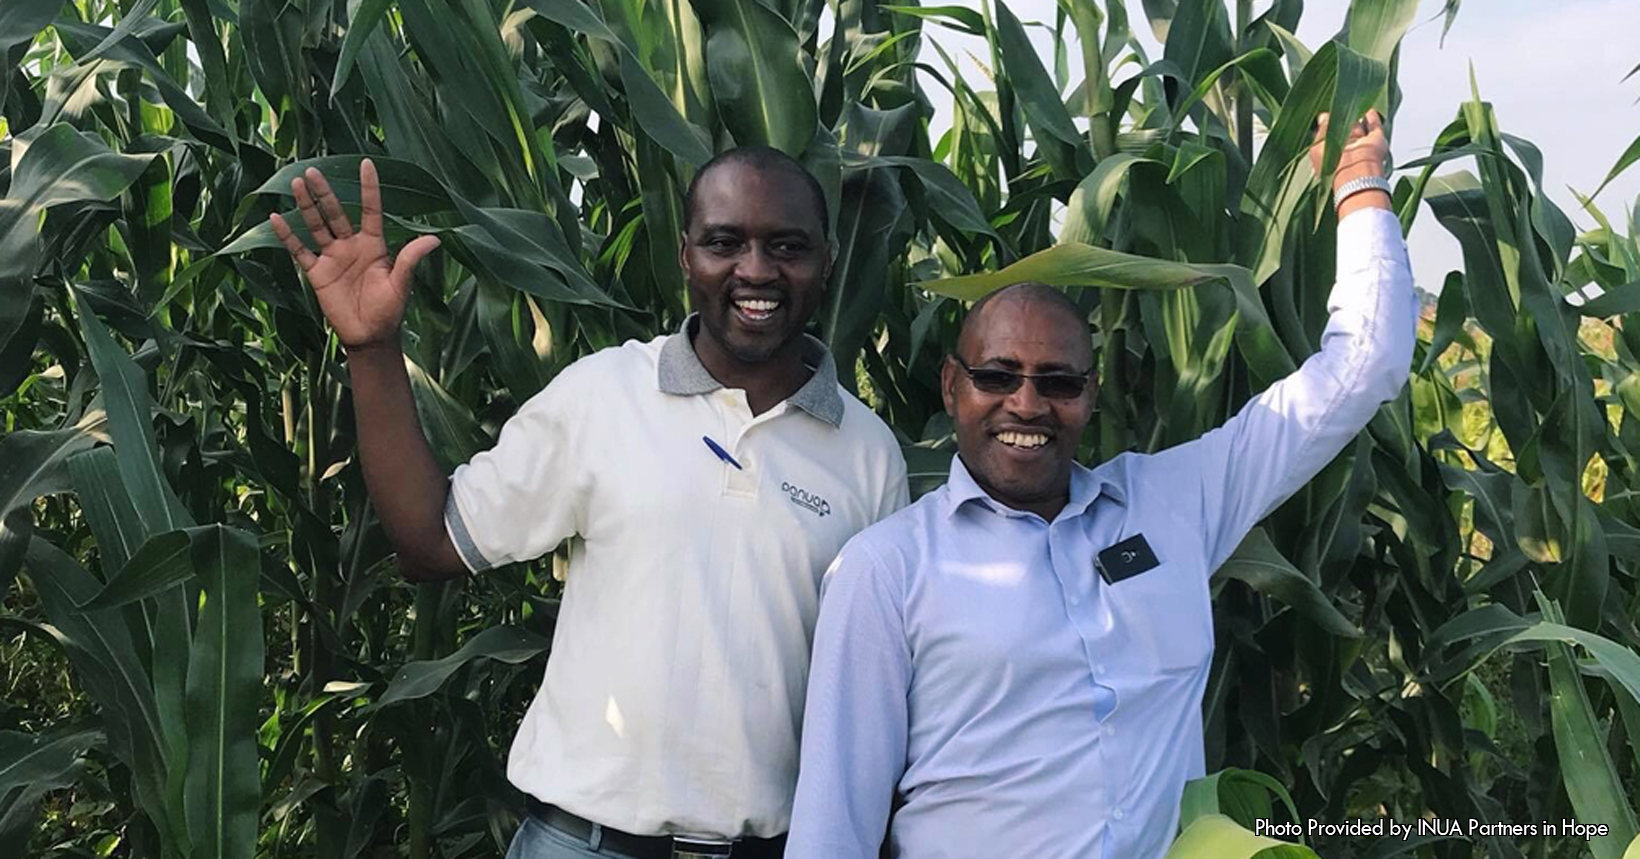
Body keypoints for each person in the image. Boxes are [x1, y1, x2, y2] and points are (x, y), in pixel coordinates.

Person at [785, 109, 1413, 859]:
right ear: (953, 386)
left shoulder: (1176, 504)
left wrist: (1359, 184)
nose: (1027, 403)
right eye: (997, 376)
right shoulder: (885, 570)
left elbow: (1362, 366)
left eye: (1058, 381)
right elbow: (832, 830)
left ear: (1092, 390)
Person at [270, 146, 909, 859]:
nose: (755, 270)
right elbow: (429, 542)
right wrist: (372, 348)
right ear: (685, 255)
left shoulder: (867, 454)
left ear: (827, 261)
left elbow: (873, 694)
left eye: (787, 246)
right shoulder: (602, 397)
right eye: (724, 242)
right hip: (584, 842)